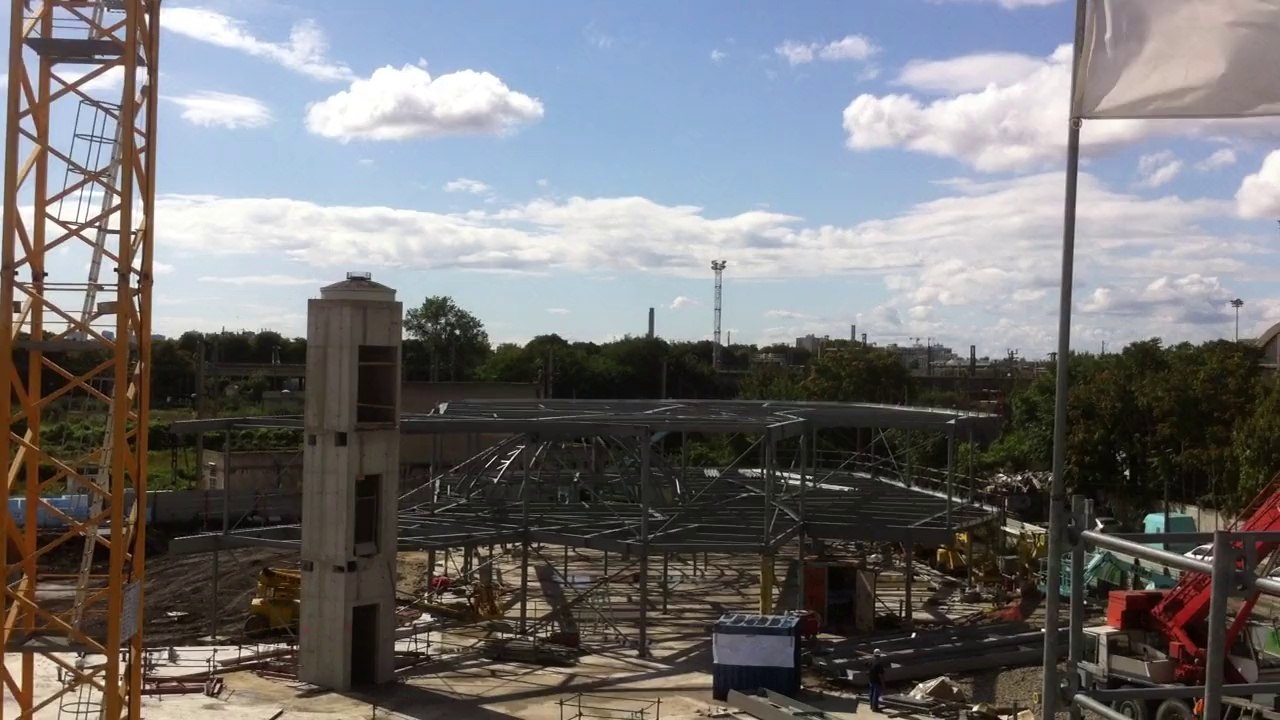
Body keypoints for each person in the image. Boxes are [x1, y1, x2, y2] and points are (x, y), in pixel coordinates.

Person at [868, 648, 887, 712]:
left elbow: (866, 665)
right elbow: (880, 675)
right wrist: (883, 684)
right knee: (875, 696)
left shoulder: (871, 661)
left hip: (871, 680)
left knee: (871, 694)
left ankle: (871, 706)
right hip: (877, 682)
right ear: (879, 655)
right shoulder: (879, 664)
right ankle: (875, 708)